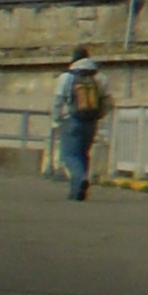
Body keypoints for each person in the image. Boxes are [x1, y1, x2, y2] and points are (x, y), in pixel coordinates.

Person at [51, 49, 110, 201]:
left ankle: (80, 178)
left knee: (69, 155)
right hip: (91, 121)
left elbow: (58, 101)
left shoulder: (67, 77)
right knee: (83, 154)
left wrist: (57, 120)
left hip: (72, 119)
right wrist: (99, 116)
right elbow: (107, 101)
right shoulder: (100, 77)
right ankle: (76, 190)